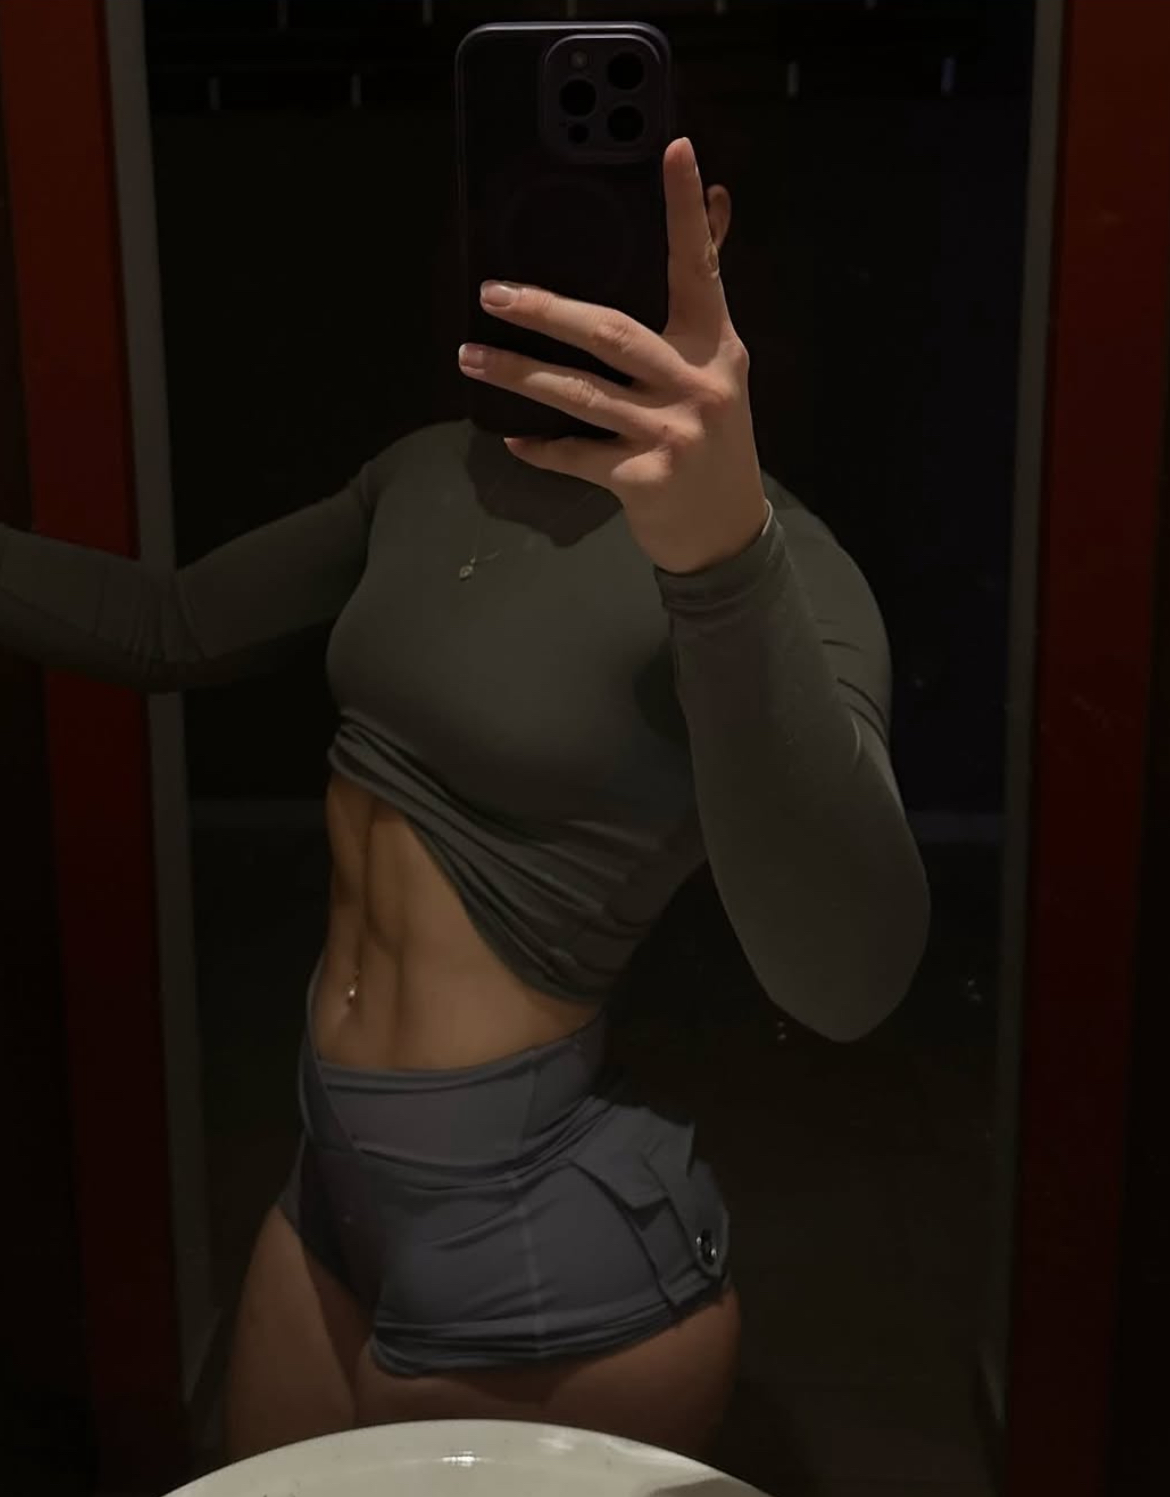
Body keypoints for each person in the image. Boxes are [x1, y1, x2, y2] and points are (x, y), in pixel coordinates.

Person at [0, 149, 930, 1467]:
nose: (554, 229)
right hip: (331, 1183)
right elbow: (172, 620)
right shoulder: (426, 473)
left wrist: (723, 561)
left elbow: (850, 976)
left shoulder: (786, 566)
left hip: (538, 1217)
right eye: (508, 191)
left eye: (605, 196)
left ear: (707, 223)